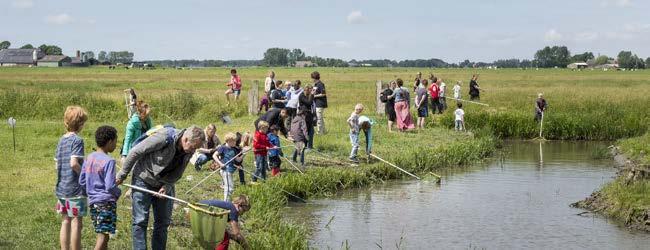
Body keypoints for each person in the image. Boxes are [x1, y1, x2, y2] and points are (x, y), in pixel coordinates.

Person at [116, 125, 205, 250]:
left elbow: (179, 171)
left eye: (196, 148)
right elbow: (136, 151)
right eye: (193, 147)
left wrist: (167, 185)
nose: (193, 151)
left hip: (164, 183)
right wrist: (122, 174)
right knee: (140, 221)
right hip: (144, 178)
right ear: (185, 140)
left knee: (163, 223)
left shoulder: (189, 150)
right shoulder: (164, 137)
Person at [79, 125, 122, 250]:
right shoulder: (109, 161)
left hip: (93, 202)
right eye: (115, 141)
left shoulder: (89, 158)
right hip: (106, 202)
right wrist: (117, 192)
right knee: (103, 235)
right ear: (109, 142)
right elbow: (109, 186)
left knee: (104, 233)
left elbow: (82, 181)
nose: (115, 145)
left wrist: (90, 194)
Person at [55, 106, 88, 250]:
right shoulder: (77, 141)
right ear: (80, 124)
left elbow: (57, 165)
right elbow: (74, 163)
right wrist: (85, 175)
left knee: (65, 221)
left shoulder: (61, 140)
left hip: (62, 187)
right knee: (76, 223)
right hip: (75, 189)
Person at [211, 133, 243, 201]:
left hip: (230, 171)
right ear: (229, 141)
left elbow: (238, 159)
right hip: (225, 170)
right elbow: (214, 155)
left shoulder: (234, 149)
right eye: (234, 141)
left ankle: (227, 201)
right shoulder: (222, 148)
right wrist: (220, 163)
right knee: (229, 188)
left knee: (230, 187)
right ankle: (226, 203)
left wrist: (243, 154)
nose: (235, 142)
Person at [121, 101, 153, 165]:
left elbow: (151, 133)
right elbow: (128, 140)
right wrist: (124, 155)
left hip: (144, 148)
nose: (148, 116)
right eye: (146, 115)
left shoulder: (148, 120)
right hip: (134, 149)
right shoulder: (131, 124)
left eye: (148, 115)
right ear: (140, 113)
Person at [298, 84, 316, 149]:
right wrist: (312, 95)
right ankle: (304, 146)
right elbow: (309, 103)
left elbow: (312, 105)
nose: (312, 91)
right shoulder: (302, 95)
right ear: (307, 89)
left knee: (311, 132)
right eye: (311, 90)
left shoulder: (308, 95)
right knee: (305, 131)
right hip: (304, 116)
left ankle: (309, 146)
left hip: (309, 116)